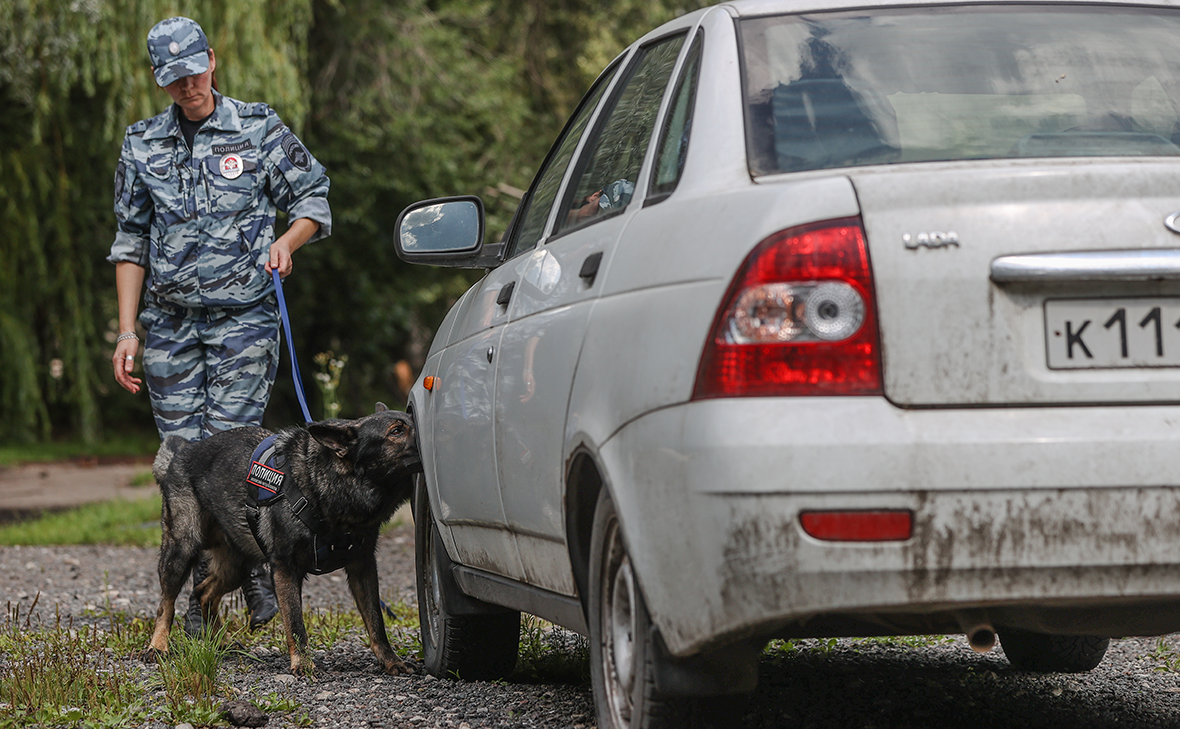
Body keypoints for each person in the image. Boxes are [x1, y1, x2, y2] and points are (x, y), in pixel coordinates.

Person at [108, 17, 332, 635]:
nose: (188, 86)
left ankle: (255, 572)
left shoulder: (257, 127)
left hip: (244, 322)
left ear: (212, 58)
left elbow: (313, 195)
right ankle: (192, 596)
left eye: (194, 70)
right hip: (171, 327)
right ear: (161, 80)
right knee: (181, 462)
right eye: (173, 78)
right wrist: (128, 332)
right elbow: (130, 242)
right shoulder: (141, 144)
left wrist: (287, 241)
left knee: (234, 448)